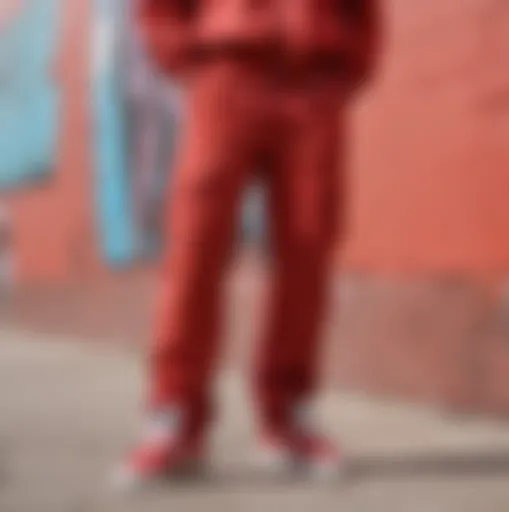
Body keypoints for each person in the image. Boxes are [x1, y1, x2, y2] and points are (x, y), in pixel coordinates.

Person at [114, 0, 381, 489]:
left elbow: (366, 12)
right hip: (227, 75)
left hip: (314, 84)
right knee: (194, 247)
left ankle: (288, 418)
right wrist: (186, 58)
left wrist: (345, 73)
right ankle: (175, 416)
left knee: (308, 250)